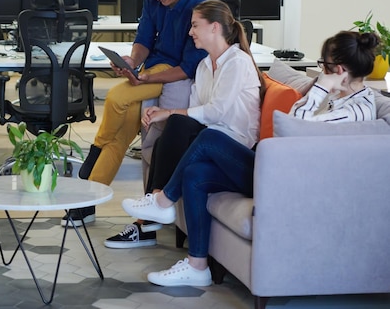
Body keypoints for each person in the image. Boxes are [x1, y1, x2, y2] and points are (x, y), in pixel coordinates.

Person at [121, 29, 379, 287]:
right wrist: (322, 90)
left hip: (287, 184)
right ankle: (197, 265)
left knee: (211, 139)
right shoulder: (336, 96)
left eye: (324, 66)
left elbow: (297, 125)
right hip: (274, 169)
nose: (322, 71)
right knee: (196, 173)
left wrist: (321, 87)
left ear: (340, 70)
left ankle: (164, 200)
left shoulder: (355, 111)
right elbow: (295, 113)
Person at [105, 0, 264, 249]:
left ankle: (157, 205)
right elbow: (196, 110)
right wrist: (166, 112)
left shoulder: (237, 62)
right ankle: (152, 212)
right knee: (172, 131)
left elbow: (214, 112)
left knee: (178, 123)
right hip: (212, 135)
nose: (190, 32)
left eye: (195, 26)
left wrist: (170, 113)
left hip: (234, 145)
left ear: (214, 27)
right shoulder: (203, 66)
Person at [63, 0, 207, 227]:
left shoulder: (199, 8)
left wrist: (145, 80)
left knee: (117, 98)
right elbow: (144, 38)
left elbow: (188, 68)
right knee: (120, 135)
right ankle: (88, 203)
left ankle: (96, 148)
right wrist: (131, 61)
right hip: (151, 69)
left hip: (175, 77)